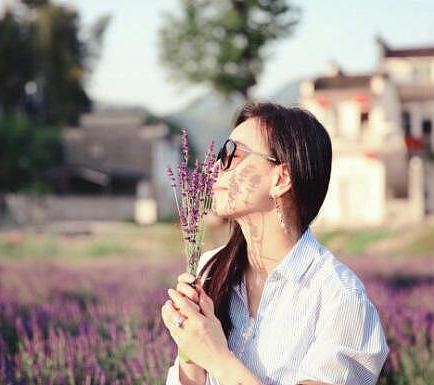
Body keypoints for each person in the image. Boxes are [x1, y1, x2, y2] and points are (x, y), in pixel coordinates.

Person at [161, 102, 389, 385]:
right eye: (220, 153)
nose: (217, 166)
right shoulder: (210, 268)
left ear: (281, 179)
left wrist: (218, 359)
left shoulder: (340, 298)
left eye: (233, 154)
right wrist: (190, 349)